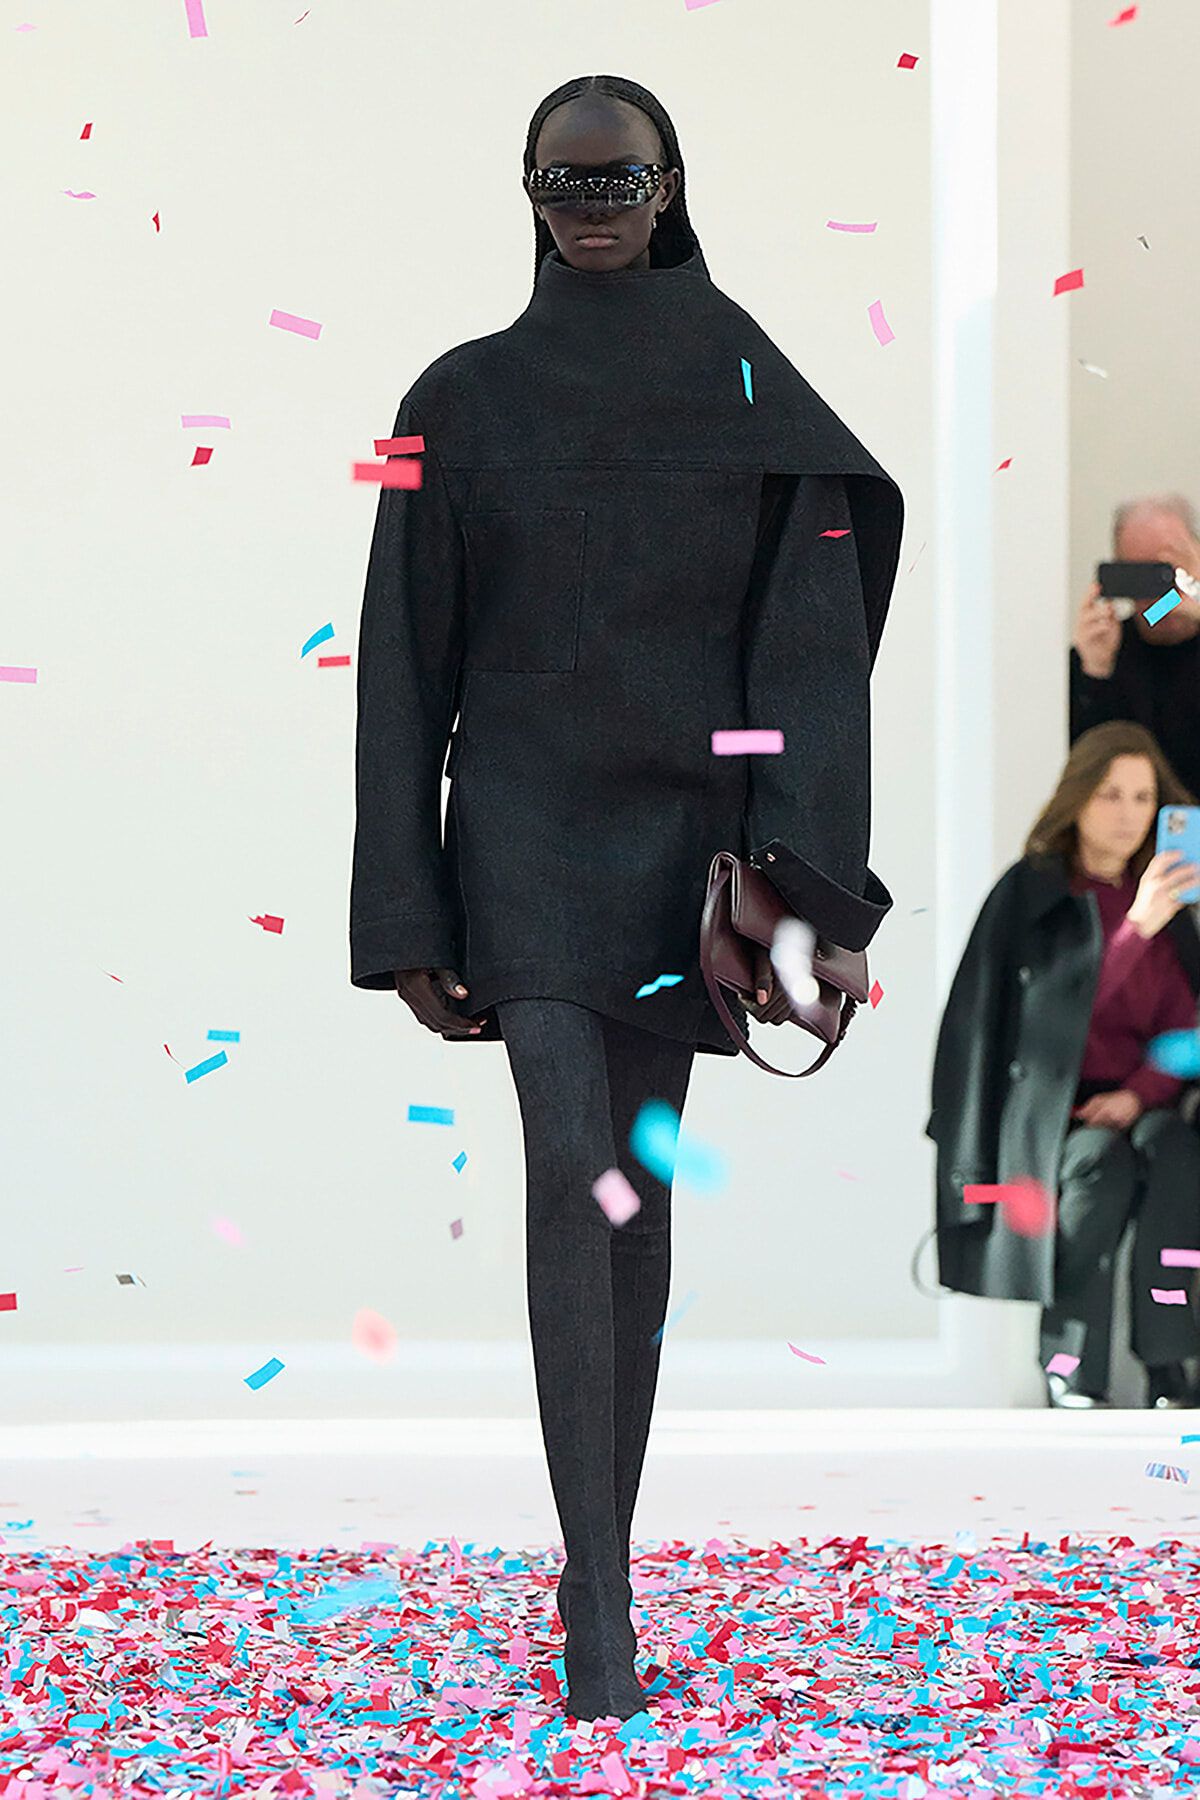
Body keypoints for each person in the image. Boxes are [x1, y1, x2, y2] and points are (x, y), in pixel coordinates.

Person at [350, 73, 902, 1721]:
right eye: (568, 179)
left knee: (635, 1212)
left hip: (679, 853)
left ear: (670, 187)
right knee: (572, 1177)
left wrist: (806, 876)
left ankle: (607, 1562)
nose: (593, 203)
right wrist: (410, 916)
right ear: (526, 190)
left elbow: (809, 638)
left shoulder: (749, 381)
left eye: (622, 177)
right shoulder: (454, 396)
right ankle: (599, 1601)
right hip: (516, 835)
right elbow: (402, 662)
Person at [927, 720, 1200, 1410]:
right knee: (1096, 1170)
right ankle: (1071, 1364)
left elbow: (1182, 1026)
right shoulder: (1034, 894)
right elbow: (1050, 1024)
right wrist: (1135, 928)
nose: (1129, 814)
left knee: (1175, 1152)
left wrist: (1141, 1095)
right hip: (1051, 1115)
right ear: (1078, 798)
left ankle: (1169, 1363)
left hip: (1141, 1102)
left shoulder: (1168, 904)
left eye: (1143, 798)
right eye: (1111, 794)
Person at [1070, 495, 1200, 803]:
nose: (1155, 590)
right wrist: (1095, 673)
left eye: (1168, 571)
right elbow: (1082, 770)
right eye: (1138, 573)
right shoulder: (1109, 652)